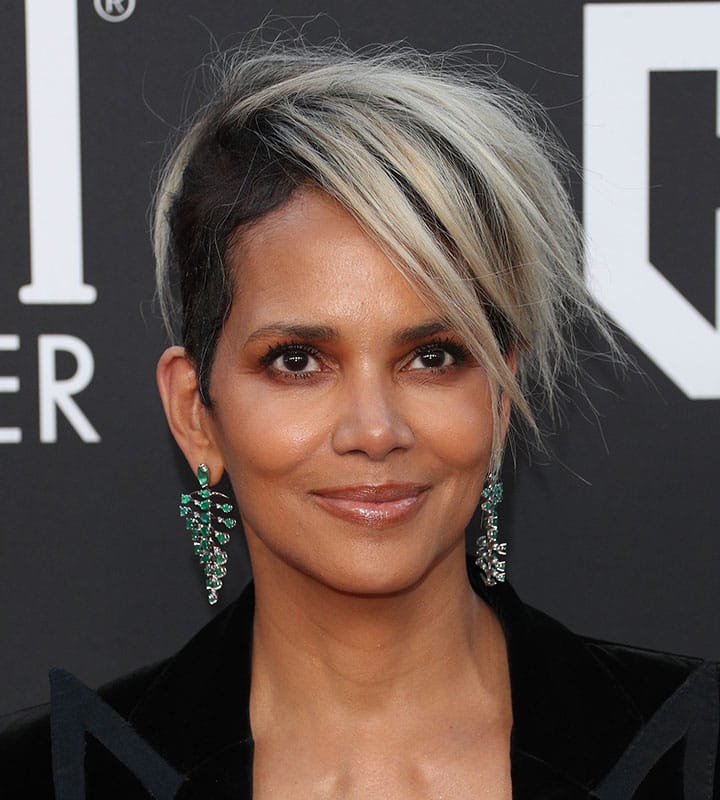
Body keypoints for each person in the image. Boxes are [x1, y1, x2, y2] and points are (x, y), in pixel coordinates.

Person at [1, 41, 718, 799]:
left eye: (433, 357)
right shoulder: (43, 777)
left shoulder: (692, 760)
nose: (375, 431)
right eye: (297, 361)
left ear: (500, 395)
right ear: (194, 413)